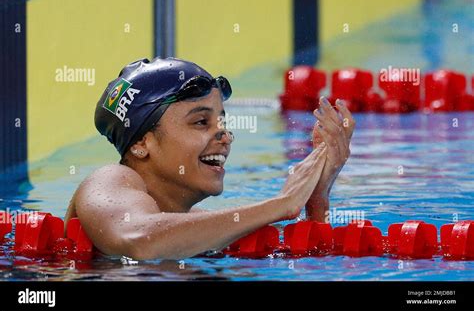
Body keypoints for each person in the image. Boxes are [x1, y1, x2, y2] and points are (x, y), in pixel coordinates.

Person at [64, 57, 355, 260]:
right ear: (141, 143)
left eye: (222, 122)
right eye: (201, 122)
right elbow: (140, 241)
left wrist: (317, 198)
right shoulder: (109, 181)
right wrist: (284, 204)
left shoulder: (195, 226)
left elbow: (307, 260)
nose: (225, 136)